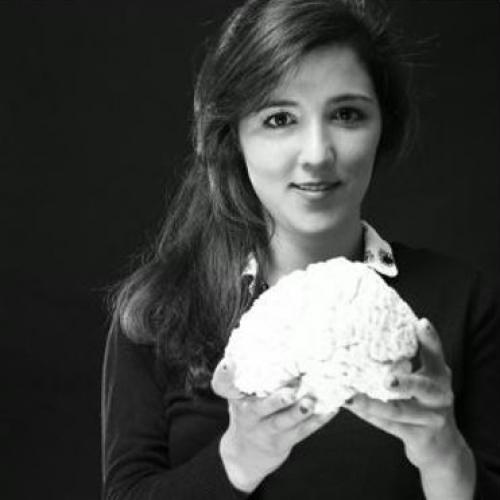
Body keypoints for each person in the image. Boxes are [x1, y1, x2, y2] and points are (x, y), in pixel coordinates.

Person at [101, 0, 500, 498]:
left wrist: (445, 459)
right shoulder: (158, 312)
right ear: (232, 136)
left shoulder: (462, 303)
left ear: (383, 126)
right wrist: (237, 460)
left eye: (347, 114)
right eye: (279, 119)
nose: (317, 154)